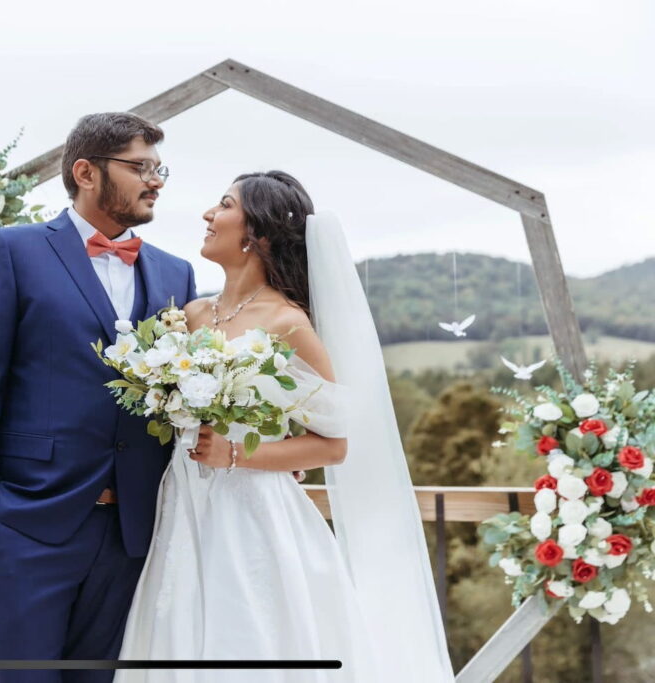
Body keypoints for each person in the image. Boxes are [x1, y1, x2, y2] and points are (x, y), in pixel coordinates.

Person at [115, 171, 454, 682]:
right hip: (182, 506)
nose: (208, 214)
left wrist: (237, 454)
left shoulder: (287, 323)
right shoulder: (192, 315)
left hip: (252, 518)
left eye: (223, 204)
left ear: (257, 234)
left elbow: (334, 445)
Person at [0, 112, 197, 683]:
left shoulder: (176, 273)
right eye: (140, 167)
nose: (155, 180)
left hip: (134, 537)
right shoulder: (12, 251)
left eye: (160, 169)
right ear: (85, 171)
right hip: (26, 528)